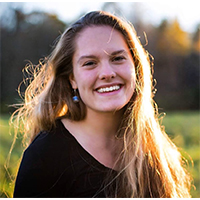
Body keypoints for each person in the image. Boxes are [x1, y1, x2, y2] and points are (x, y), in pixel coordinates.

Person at [12, 11, 191, 197]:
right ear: (72, 79)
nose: (107, 73)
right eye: (90, 63)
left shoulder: (155, 151)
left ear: (136, 67)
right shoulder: (45, 156)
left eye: (117, 58)